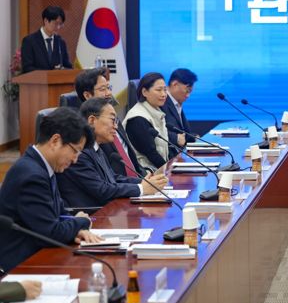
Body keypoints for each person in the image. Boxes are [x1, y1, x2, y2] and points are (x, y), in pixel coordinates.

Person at [0, 107, 103, 272]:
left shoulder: (42, 166)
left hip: (40, 256)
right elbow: (50, 233)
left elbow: (59, 213)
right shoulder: (31, 175)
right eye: (75, 151)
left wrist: (76, 229)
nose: (75, 160)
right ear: (55, 141)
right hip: (21, 267)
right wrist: (82, 222)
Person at [57, 98, 169, 208]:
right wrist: (142, 188)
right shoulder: (79, 154)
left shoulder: (96, 148)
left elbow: (113, 178)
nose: (116, 126)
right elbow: (102, 190)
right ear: (92, 121)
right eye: (112, 120)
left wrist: (144, 182)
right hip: (93, 214)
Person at [74, 68, 143, 177]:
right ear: (87, 95)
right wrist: (139, 185)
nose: (109, 93)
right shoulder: (87, 131)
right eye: (102, 89)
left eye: (109, 88)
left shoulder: (111, 115)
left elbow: (129, 156)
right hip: (119, 184)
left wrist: (145, 178)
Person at [123, 72, 170, 172]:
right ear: (144, 92)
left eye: (165, 90)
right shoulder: (137, 118)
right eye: (159, 90)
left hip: (158, 170)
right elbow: (151, 154)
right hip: (146, 173)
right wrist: (169, 171)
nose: (163, 94)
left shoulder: (156, 110)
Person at [20, 6, 72, 73]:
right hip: (37, 79)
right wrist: (49, 73)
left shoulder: (60, 42)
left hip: (57, 79)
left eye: (60, 24)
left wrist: (62, 69)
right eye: (56, 23)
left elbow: (68, 67)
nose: (58, 27)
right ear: (46, 21)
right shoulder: (29, 41)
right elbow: (27, 68)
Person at [162, 68, 198, 156]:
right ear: (175, 84)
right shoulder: (162, 101)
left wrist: (194, 138)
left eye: (190, 92)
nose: (188, 95)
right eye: (187, 91)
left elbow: (182, 132)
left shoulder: (176, 102)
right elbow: (157, 130)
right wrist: (176, 138)